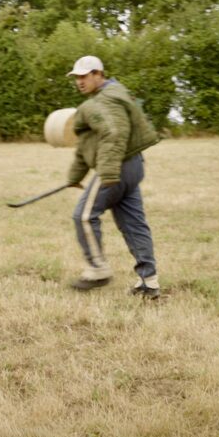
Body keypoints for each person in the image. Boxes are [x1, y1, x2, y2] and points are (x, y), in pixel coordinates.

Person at [65, 55, 161, 298]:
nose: (80, 81)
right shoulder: (113, 94)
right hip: (133, 165)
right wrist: (75, 176)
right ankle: (149, 282)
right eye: (77, 77)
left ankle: (97, 269)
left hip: (116, 167)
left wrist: (108, 173)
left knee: (84, 216)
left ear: (99, 74)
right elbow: (87, 142)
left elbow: (114, 133)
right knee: (133, 224)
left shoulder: (105, 101)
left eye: (84, 76)